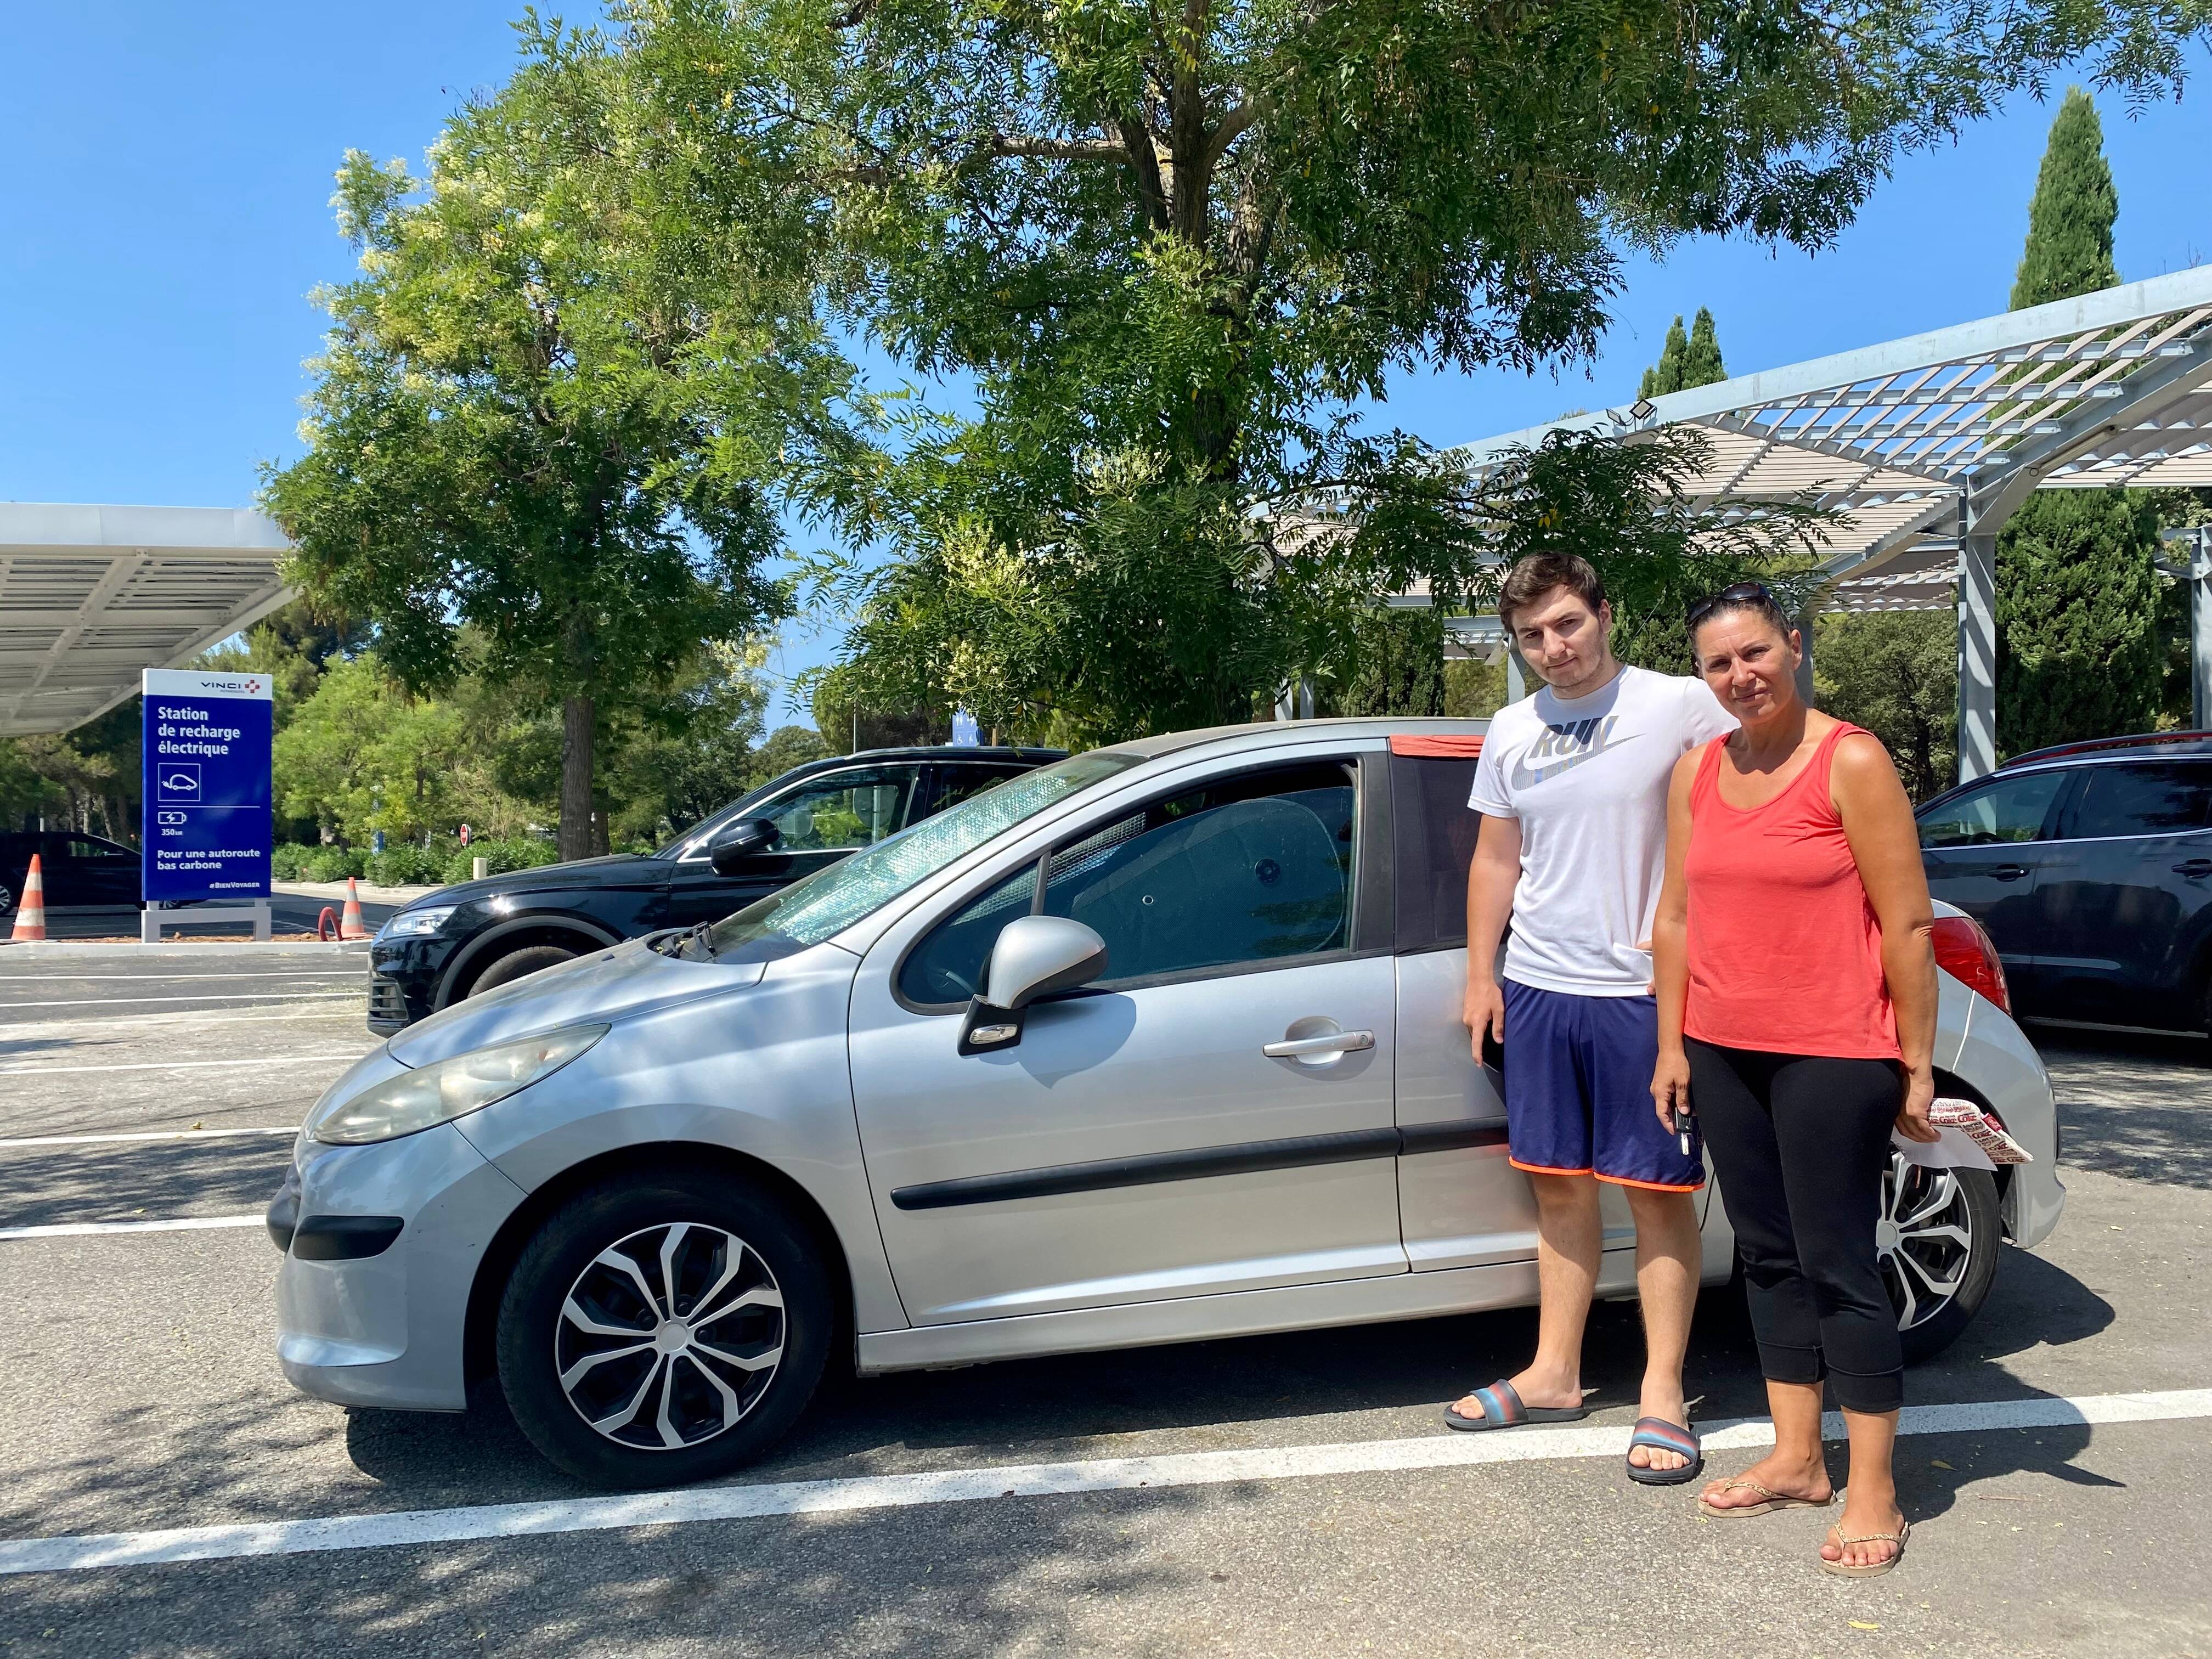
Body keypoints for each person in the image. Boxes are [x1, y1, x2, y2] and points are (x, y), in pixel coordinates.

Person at [1648, 581, 1940, 1577]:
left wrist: (1913, 1062)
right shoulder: (1697, 771)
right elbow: (1678, 919)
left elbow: (1907, 923)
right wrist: (1672, 1043)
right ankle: (1796, 1458)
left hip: (1835, 1052)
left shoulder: (1848, 758)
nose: (1742, 676)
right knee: (1765, 1258)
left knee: (1837, 1263)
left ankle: (1873, 1491)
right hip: (1725, 1047)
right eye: (1720, 663)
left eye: (1756, 654)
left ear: (1795, 646)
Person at [1447, 552, 1736, 1487]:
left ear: (1605, 615)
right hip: (1537, 990)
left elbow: (1757, 789)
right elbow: (1497, 859)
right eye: (1532, 635)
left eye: (1567, 624)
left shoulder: (1680, 705)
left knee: (1657, 1196)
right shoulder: (1510, 728)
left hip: (1643, 997)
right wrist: (1482, 974)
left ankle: (1660, 1393)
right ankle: (1556, 1374)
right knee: (1560, 1189)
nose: (1553, 648)